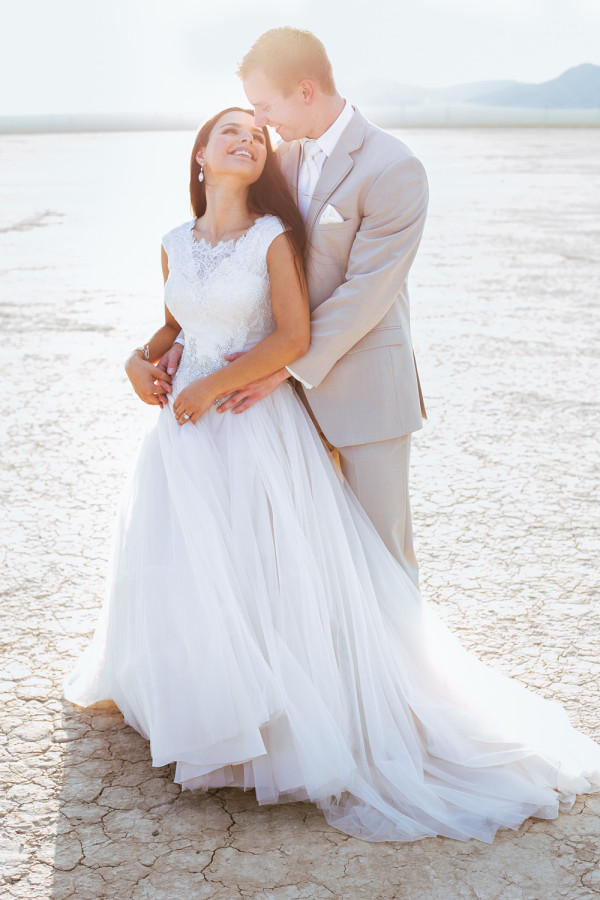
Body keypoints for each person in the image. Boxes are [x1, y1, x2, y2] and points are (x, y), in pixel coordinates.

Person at [64, 105, 600, 845]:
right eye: (231, 131)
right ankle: (206, 711)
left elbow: (294, 336)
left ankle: (271, 730)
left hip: (251, 422)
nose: (248, 139)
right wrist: (135, 361)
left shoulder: (271, 237)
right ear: (200, 156)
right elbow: (176, 326)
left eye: (258, 135)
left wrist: (214, 386)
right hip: (183, 435)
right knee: (194, 568)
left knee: (263, 566)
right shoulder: (173, 242)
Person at [160, 27, 428, 587]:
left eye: (264, 106)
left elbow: (367, 292)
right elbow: (238, 268)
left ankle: (399, 650)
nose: (259, 121)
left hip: (362, 393)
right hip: (278, 413)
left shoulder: (393, 168)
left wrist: (282, 366)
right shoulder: (278, 159)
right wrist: (188, 339)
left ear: (305, 91)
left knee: (381, 563)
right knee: (307, 574)